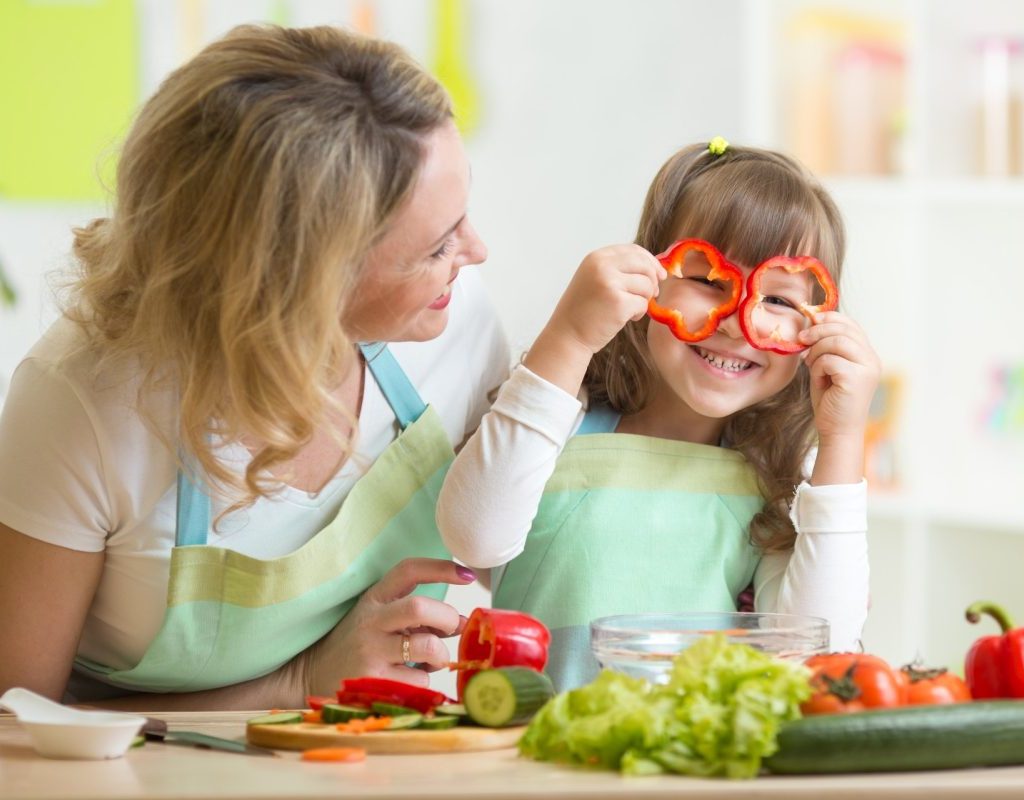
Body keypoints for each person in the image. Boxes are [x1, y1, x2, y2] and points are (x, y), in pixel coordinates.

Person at [0, 24, 509, 708]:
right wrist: (298, 685)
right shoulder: (86, 403)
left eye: (462, 217)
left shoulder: (457, 323)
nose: (475, 252)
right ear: (303, 283)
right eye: (435, 247)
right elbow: (15, 726)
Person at [437, 141, 879, 690]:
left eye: (781, 301)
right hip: (531, 759)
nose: (738, 322)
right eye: (709, 281)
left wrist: (842, 439)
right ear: (648, 276)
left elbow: (822, 650)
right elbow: (474, 539)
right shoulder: (561, 420)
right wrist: (570, 336)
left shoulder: (777, 477)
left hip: (692, 769)